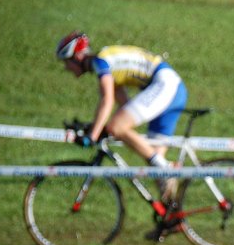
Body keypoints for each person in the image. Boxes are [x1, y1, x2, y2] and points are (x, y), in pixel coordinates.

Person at [55, 31, 188, 213]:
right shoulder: (109, 68)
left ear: (77, 57)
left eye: (66, 62)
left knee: (119, 129)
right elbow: (125, 106)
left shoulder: (100, 62)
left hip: (164, 85)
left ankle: (165, 167)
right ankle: (173, 219)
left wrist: (92, 136)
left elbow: (107, 101)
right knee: (159, 172)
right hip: (172, 87)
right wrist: (96, 127)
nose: (67, 68)